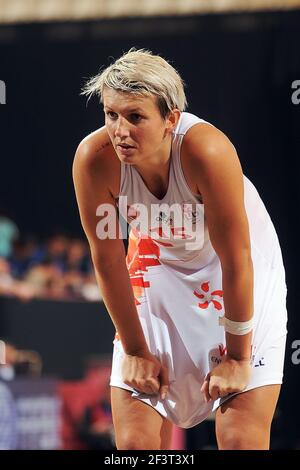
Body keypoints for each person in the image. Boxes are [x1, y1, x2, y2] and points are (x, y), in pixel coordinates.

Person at [73, 49, 288, 450]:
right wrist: (135, 349)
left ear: (171, 119)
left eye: (135, 117)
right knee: (136, 445)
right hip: (160, 265)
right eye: (111, 114)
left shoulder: (207, 151)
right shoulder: (94, 160)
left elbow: (236, 260)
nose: (119, 130)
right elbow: (107, 260)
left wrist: (240, 358)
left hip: (234, 267)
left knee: (240, 439)